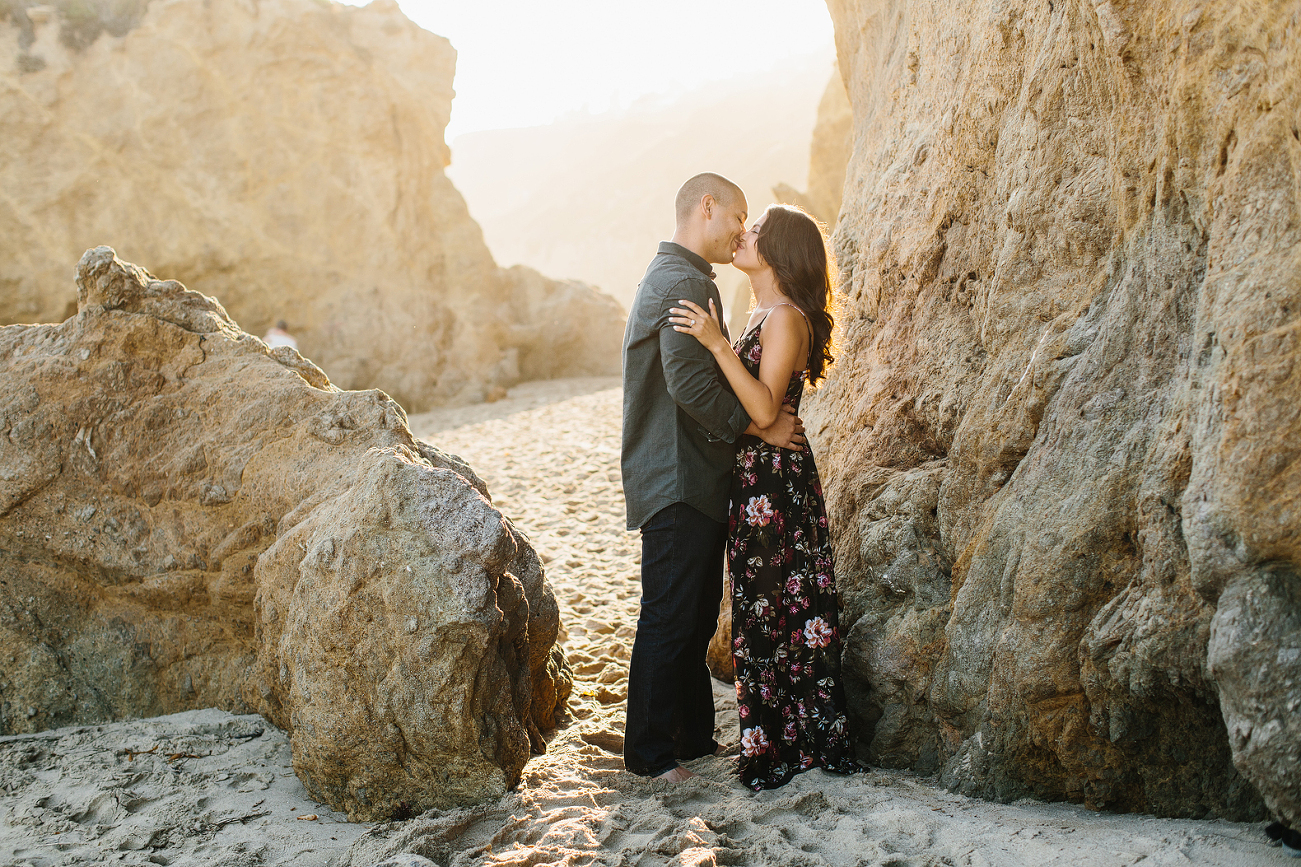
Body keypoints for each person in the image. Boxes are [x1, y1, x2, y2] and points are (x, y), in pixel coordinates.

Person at [622, 173, 807, 783]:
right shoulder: (681, 282)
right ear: (708, 207)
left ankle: (694, 740)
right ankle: (649, 758)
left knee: (694, 618)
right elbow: (689, 383)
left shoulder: (687, 279)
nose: (739, 230)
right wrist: (758, 428)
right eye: (737, 215)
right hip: (675, 475)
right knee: (671, 616)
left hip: (688, 474)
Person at [669, 203, 857, 790]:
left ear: (780, 252)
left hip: (777, 483)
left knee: (779, 607)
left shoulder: (786, 318)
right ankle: (776, 735)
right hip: (756, 476)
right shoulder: (763, 314)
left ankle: (794, 740)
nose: (742, 235)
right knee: (759, 606)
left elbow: (764, 408)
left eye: (756, 230)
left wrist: (716, 344)